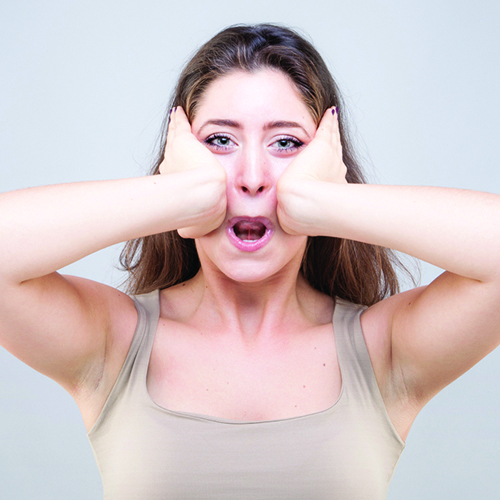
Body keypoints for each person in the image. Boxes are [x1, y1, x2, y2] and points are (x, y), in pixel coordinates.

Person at [0, 23, 499, 499]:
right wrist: (180, 195)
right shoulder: (114, 340)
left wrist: (324, 203)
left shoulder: (383, 351)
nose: (253, 175)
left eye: (286, 143)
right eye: (219, 140)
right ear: (178, 157)